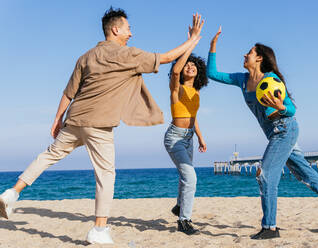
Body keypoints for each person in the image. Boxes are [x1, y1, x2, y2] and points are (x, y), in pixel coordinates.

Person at [0, 7, 204, 244]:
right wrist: (192, 39)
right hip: (99, 124)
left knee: (49, 155)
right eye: (128, 29)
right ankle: (99, 229)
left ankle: (12, 192)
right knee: (106, 175)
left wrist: (57, 119)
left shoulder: (85, 57)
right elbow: (167, 58)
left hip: (75, 118)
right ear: (116, 29)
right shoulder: (128, 55)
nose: (131, 33)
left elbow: (68, 93)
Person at [207, 27, 318, 240]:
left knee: (265, 174)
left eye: (249, 52)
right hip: (276, 134)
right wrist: (213, 45)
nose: (245, 55)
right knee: (306, 173)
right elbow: (212, 74)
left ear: (259, 58)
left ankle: (270, 227)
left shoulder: (272, 79)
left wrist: (281, 106)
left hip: (285, 129)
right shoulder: (241, 79)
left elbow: (292, 109)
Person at [163, 14, 208, 235]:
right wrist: (190, 43)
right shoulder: (176, 88)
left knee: (185, 175)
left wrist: (200, 136)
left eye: (194, 65)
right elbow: (176, 71)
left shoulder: (196, 92)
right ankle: (184, 220)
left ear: (199, 71)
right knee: (190, 177)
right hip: (175, 137)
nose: (190, 66)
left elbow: (193, 116)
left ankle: (180, 205)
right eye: (187, 64)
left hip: (189, 137)